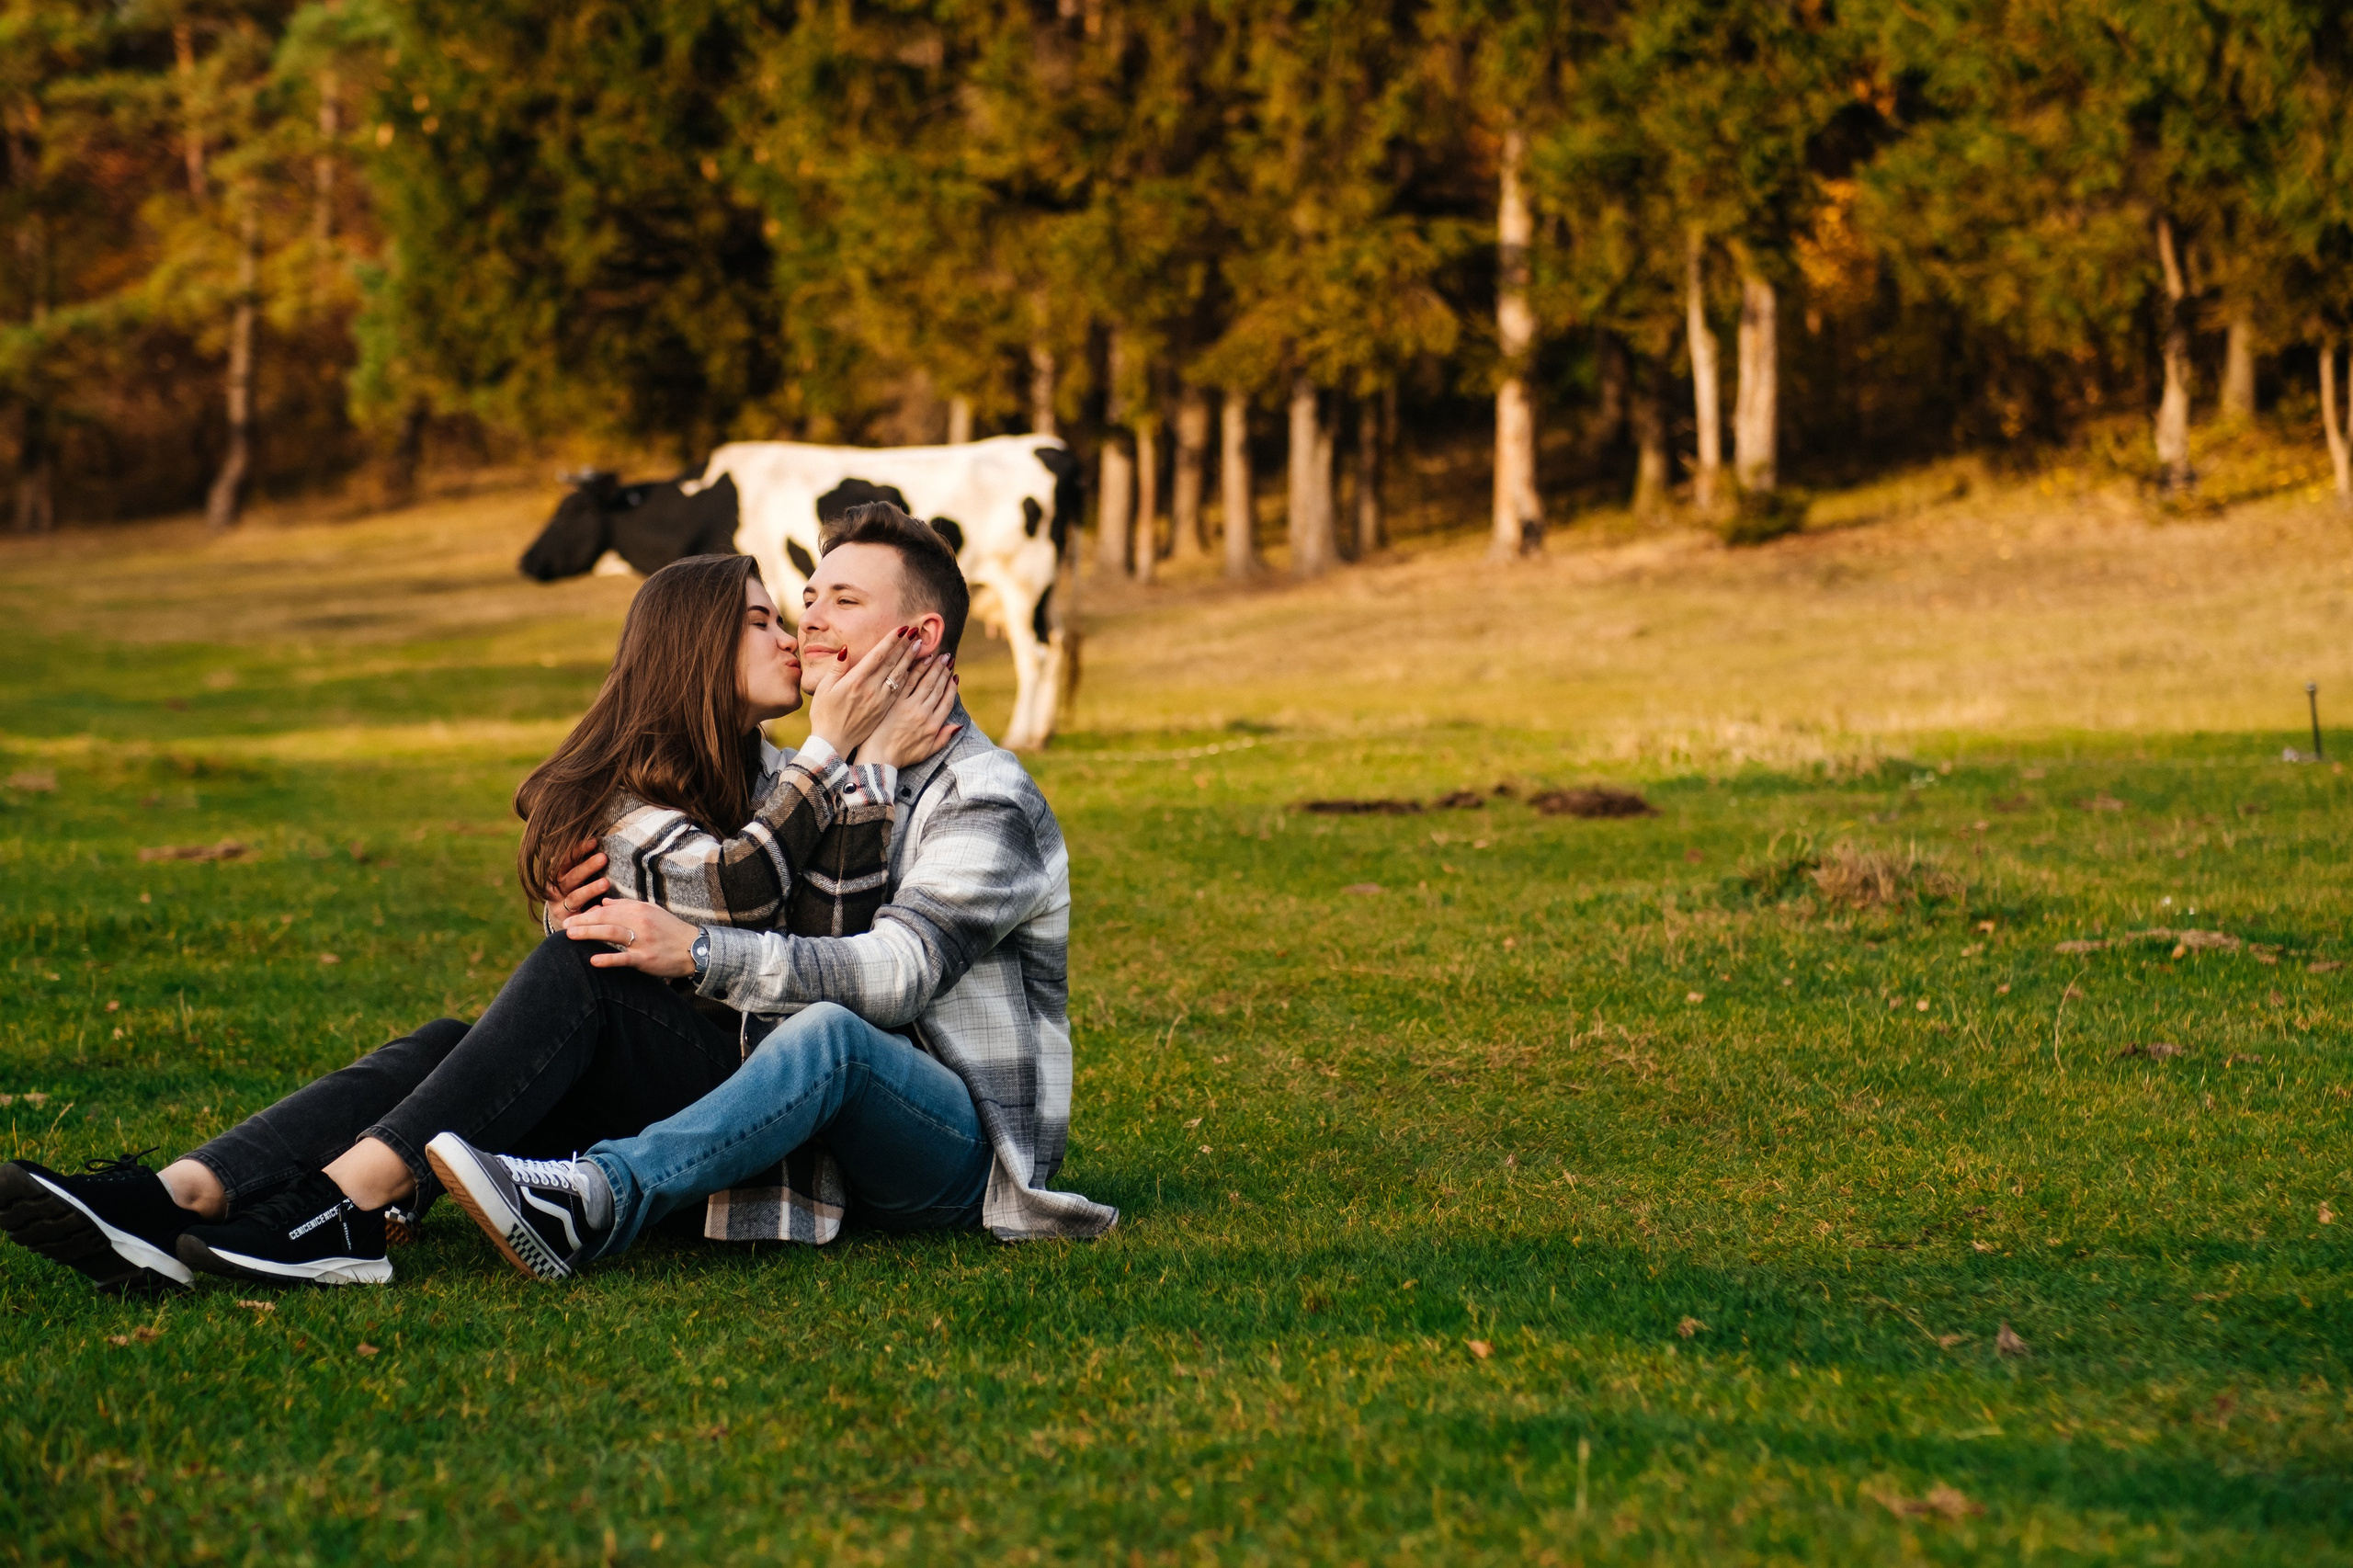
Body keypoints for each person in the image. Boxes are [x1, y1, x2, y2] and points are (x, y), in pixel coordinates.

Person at [0, 551, 956, 1290]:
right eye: (761, 619)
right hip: (690, 1091)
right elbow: (734, 883)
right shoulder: (629, 793)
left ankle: (345, 1205)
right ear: (693, 646)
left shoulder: (787, 772)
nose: (792, 637)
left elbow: (742, 882)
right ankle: (179, 1198)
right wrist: (827, 756)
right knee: (447, 1040)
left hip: (756, 1114)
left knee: (578, 970)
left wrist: (834, 748)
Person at [426, 502, 1117, 1280]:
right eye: (810, 597)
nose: (808, 622)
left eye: (844, 602)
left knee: (834, 1036)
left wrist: (698, 952)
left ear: (920, 638)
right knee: (451, 1044)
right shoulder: (804, 770)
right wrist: (580, 892)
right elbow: (722, 871)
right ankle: (331, 1191)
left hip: (953, 1152)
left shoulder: (986, 796)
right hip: (819, 1137)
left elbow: (896, 978)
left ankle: (598, 1195)